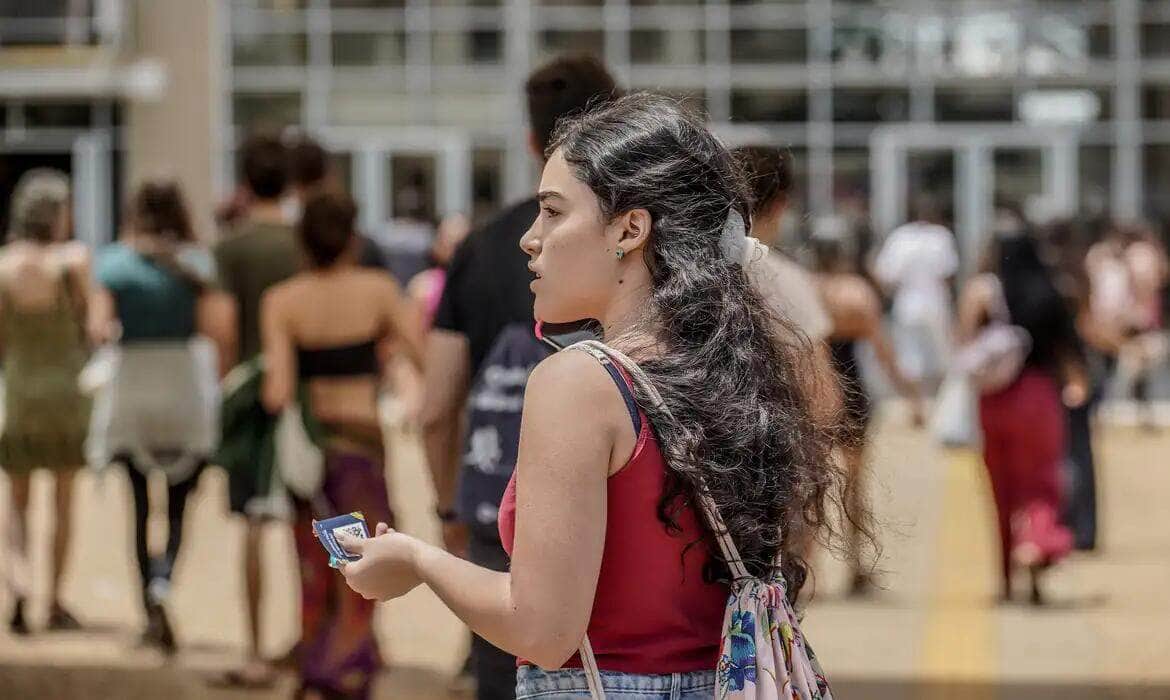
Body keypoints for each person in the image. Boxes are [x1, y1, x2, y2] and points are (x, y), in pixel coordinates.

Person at [340, 93, 853, 699]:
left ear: (630, 230)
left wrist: (417, 561)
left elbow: (542, 630)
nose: (530, 239)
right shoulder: (730, 367)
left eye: (553, 212)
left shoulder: (581, 383)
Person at [421, 54, 618, 700]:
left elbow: (435, 402)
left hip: (502, 510)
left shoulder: (481, 248)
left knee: (508, 672)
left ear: (533, 142)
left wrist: (449, 504)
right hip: (620, 509)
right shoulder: (642, 246)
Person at [260, 191, 423, 698]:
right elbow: (422, 356)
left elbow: (279, 392)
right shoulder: (378, 290)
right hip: (363, 453)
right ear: (352, 238)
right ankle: (344, 670)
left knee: (315, 568)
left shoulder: (282, 300)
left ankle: (317, 664)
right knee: (361, 566)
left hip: (311, 456)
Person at [88, 180, 237, 651]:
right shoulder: (198, 264)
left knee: (137, 505)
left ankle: (146, 608)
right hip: (182, 389)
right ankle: (164, 580)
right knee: (177, 506)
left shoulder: (113, 264)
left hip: (133, 389)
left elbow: (98, 329)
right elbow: (218, 333)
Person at [957, 210, 1085, 605]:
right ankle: (1036, 547)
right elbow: (1070, 352)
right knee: (1041, 484)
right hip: (1040, 396)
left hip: (994, 401)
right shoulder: (1051, 290)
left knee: (1001, 488)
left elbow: (962, 343)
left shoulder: (982, 291)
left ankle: (1005, 580)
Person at [213, 133, 303, 685]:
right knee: (311, 521)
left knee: (251, 522)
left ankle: (252, 648)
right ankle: (320, 636)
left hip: (249, 388)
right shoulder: (303, 241)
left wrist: (228, 384)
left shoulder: (231, 246)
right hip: (303, 392)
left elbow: (223, 327)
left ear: (245, 183)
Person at [0, 168, 90, 634]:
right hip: (67, 397)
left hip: (17, 395)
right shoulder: (72, 264)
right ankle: (53, 600)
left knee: (15, 505)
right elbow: (92, 328)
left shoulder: (3, 267)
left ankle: (17, 587)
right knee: (63, 503)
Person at [810, 227, 924, 595]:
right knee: (854, 487)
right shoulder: (857, 293)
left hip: (812, 391)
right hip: (853, 390)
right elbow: (882, 350)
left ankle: (811, 573)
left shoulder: (805, 289)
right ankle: (857, 567)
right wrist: (912, 395)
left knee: (809, 486)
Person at [873, 196, 959, 394]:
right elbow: (949, 274)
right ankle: (938, 405)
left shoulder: (900, 237)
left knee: (910, 359)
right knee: (942, 359)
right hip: (935, 303)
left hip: (907, 305)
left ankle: (917, 407)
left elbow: (884, 274)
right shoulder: (941, 236)